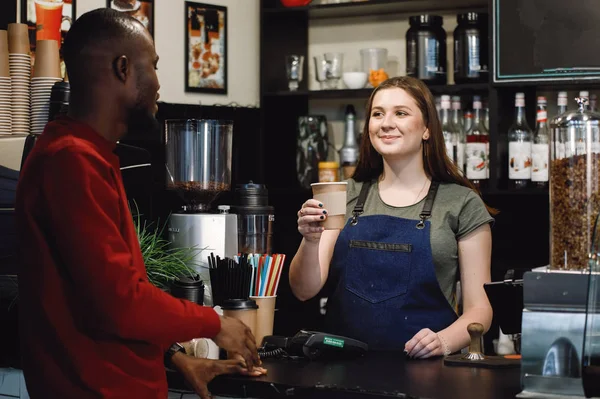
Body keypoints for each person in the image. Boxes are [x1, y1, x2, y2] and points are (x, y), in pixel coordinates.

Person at [15, 8, 263, 399]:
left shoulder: (89, 156)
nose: (159, 84)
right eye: (155, 67)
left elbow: (92, 299)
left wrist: (174, 358)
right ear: (123, 68)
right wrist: (214, 323)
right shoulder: (70, 161)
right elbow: (120, 302)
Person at [289, 76, 495, 358]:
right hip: (342, 369)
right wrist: (310, 241)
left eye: (400, 113)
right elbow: (303, 290)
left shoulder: (461, 203)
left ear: (426, 129)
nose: (386, 123)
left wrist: (443, 341)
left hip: (428, 375)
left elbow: (480, 310)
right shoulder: (342, 193)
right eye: (377, 114)